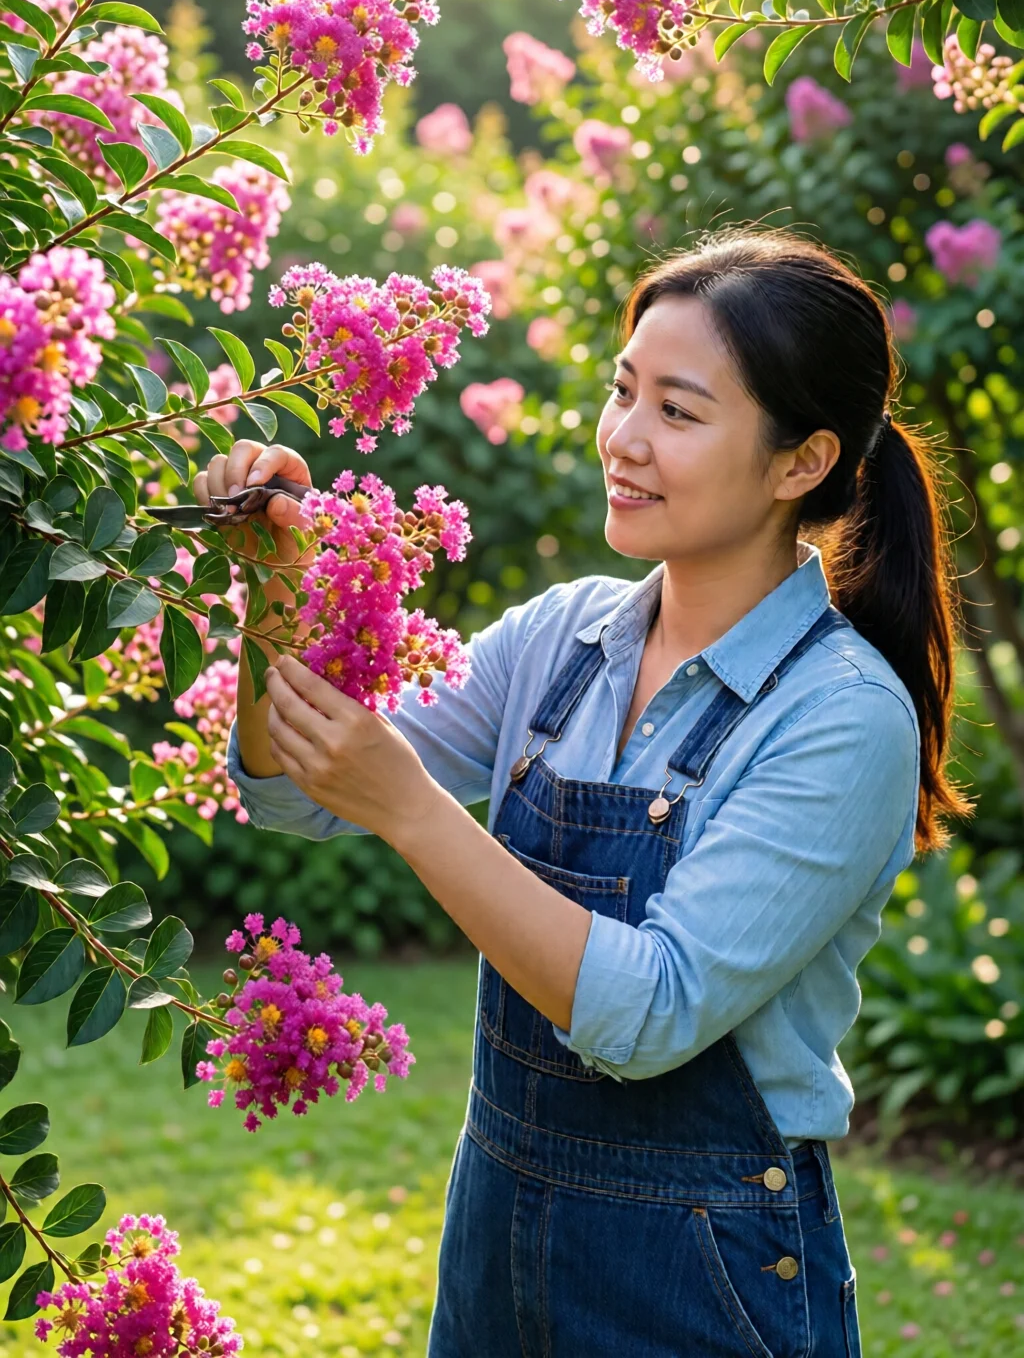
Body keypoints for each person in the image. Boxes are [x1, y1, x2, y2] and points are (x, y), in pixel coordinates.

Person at [197, 228, 972, 1357]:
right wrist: (272, 593)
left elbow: (649, 1015)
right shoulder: (563, 639)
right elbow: (293, 790)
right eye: (624, 393)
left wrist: (414, 809)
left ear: (800, 461)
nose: (626, 439)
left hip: (702, 1277)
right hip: (496, 1236)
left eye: (679, 410)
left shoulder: (841, 719)